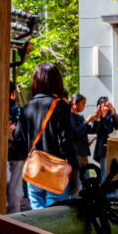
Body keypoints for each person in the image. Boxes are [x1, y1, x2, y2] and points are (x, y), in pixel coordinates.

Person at [10, 63, 78, 210]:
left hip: (34, 171)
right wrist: (75, 172)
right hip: (56, 172)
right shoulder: (61, 106)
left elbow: (19, 144)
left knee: (38, 218)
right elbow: (66, 143)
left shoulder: (27, 108)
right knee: (56, 217)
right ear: (56, 81)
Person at [68, 93, 97, 197]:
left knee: (87, 179)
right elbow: (74, 133)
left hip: (83, 153)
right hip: (76, 154)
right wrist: (87, 122)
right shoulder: (69, 117)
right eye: (83, 103)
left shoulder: (79, 117)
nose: (84, 106)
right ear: (75, 103)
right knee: (78, 183)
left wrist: (96, 120)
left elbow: (91, 129)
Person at [7, 82, 26, 213]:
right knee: (15, 189)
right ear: (13, 94)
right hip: (17, 153)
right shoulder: (19, 111)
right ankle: (13, 221)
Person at [91, 96, 118, 177]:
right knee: (104, 174)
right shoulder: (97, 116)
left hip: (114, 147)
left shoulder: (112, 115)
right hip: (103, 149)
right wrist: (103, 117)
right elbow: (95, 130)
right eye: (102, 103)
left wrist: (113, 111)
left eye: (106, 103)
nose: (104, 105)